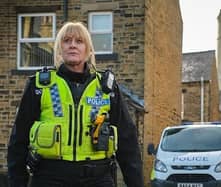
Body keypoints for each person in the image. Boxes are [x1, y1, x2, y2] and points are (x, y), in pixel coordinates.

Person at [7, 21, 144, 187]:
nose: (72, 45)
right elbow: (18, 141)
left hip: (97, 178)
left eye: (79, 41)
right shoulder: (40, 85)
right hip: (49, 178)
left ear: (88, 49)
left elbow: (127, 142)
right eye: (66, 41)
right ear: (59, 48)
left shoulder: (106, 87)